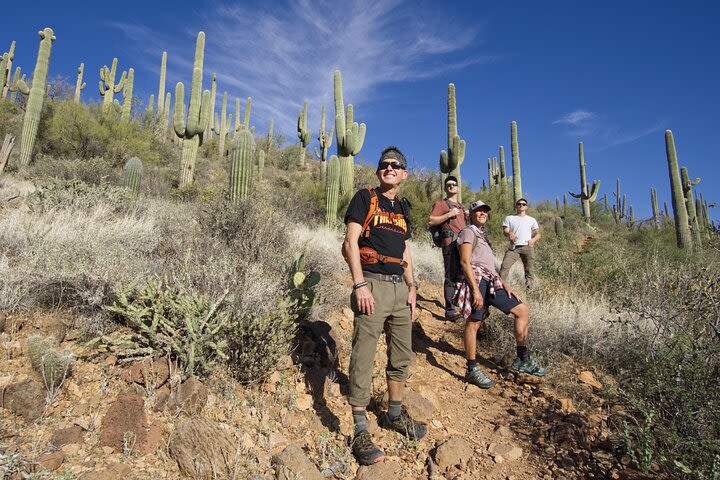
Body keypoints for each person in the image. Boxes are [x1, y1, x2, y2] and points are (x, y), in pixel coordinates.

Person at [342, 146, 427, 466]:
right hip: (372, 285)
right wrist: (360, 283)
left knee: (401, 355)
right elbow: (351, 241)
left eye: (396, 165)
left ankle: (393, 415)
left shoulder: (404, 206)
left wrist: (413, 287)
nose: (389, 168)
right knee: (363, 354)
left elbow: (405, 251)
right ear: (379, 171)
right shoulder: (365, 198)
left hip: (399, 291)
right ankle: (360, 429)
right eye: (384, 165)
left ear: (405, 174)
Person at [454, 199, 547, 389]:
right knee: (474, 322)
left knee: (522, 310)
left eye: (485, 211)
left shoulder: (482, 235)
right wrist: (473, 289)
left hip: (491, 280)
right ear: (470, 214)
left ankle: (523, 359)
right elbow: (465, 262)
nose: (482, 213)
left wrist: (505, 285)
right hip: (477, 280)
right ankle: (472, 368)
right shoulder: (467, 232)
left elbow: (491, 267)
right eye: (478, 211)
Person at [428, 175, 467, 321]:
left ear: (458, 187)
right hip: (450, 242)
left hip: (463, 244)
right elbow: (431, 220)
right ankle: (450, 310)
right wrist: (449, 214)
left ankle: (462, 306)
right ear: (445, 188)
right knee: (450, 275)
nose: (451, 186)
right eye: (448, 184)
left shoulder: (462, 207)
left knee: (463, 275)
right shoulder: (441, 204)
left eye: (454, 184)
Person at [499, 198, 541, 288]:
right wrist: (510, 233)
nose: (521, 205)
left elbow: (538, 234)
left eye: (523, 204)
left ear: (526, 207)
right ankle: (500, 289)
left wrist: (533, 240)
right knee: (504, 267)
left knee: (529, 271)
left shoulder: (531, 220)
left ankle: (530, 292)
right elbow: (505, 230)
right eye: (519, 204)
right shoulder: (509, 218)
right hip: (514, 248)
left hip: (528, 248)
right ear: (516, 206)